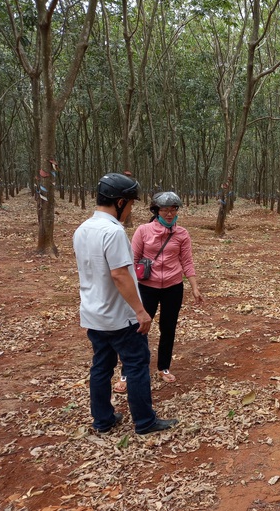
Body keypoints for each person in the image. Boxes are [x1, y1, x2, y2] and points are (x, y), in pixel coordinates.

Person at [73, 173, 178, 435]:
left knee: (101, 366)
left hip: (93, 313)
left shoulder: (82, 229)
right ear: (120, 202)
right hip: (120, 316)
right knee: (137, 364)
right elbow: (119, 274)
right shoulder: (113, 231)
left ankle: (103, 420)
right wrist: (140, 312)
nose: (130, 210)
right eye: (130, 204)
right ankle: (144, 421)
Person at [114, 191, 202, 392]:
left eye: (173, 210)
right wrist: (130, 288)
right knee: (138, 328)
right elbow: (132, 260)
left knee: (168, 328)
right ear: (156, 211)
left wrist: (194, 286)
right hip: (147, 288)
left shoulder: (182, 234)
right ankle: (127, 372)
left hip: (173, 287)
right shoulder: (143, 231)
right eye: (165, 210)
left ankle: (163, 367)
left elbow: (187, 262)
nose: (170, 214)